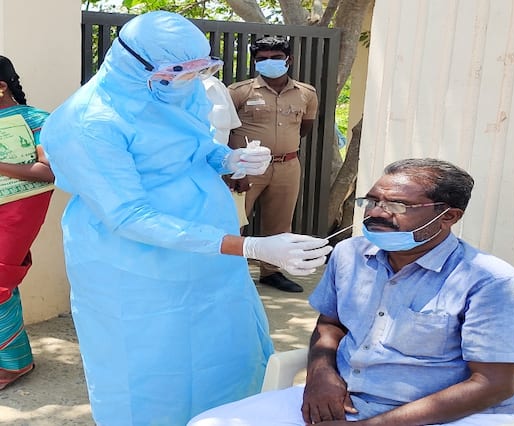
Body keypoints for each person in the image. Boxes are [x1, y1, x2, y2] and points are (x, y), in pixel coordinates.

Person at [39, 11, 331, 425]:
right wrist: (249, 246)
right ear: (133, 63)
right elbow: (129, 215)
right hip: (135, 265)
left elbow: (194, 143)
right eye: (179, 73)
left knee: (227, 348)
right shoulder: (89, 122)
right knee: (152, 365)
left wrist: (228, 158)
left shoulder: (178, 87)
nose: (191, 81)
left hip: (210, 255)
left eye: (200, 70)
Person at [189, 158, 514, 426]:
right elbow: (331, 324)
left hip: (449, 414)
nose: (376, 214)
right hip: (349, 401)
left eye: (397, 206)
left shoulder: (491, 282)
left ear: (448, 217)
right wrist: (321, 375)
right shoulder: (351, 254)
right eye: (371, 201)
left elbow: (493, 384)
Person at [228, 36, 319, 293]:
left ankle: (271, 272)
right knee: (234, 220)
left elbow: (304, 128)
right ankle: (230, 273)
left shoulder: (306, 93)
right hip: (245, 168)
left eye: (276, 58)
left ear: (289, 60)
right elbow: (223, 131)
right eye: (262, 59)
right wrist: (234, 169)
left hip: (287, 166)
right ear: (255, 62)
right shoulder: (238, 92)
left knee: (280, 223)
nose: (269, 62)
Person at [0, 56, 54, 389]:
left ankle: (14, 365)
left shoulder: (37, 120)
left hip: (17, 212)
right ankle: (14, 356)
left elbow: (48, 171)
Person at [203, 75, 248, 227]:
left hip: (218, 174)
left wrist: (233, 166)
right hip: (183, 179)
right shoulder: (161, 90)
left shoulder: (216, 85)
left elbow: (230, 131)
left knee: (225, 225)